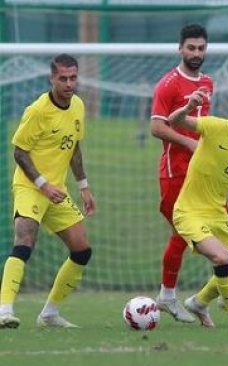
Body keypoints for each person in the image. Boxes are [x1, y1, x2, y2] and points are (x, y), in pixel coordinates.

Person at [150, 24, 228, 324]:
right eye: (191, 48)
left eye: (201, 48)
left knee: (223, 237)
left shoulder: (208, 82)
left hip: (206, 175)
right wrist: (188, 143)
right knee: (180, 233)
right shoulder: (168, 85)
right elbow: (157, 127)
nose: (196, 53)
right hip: (176, 171)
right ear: (180, 48)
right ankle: (168, 295)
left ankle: (214, 295)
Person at [0, 54, 96, 329]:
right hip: (32, 187)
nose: (69, 83)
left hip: (58, 190)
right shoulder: (38, 110)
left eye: (73, 78)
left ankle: (50, 313)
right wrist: (43, 184)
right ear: (51, 79)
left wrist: (84, 187)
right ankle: (4, 310)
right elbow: (19, 152)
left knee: (82, 250)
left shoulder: (78, 106)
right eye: (63, 78)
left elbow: (74, 148)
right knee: (25, 239)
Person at [167, 89, 228, 329]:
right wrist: (188, 107)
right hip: (189, 211)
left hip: (217, 213)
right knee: (222, 258)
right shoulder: (213, 126)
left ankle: (199, 302)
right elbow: (174, 121)